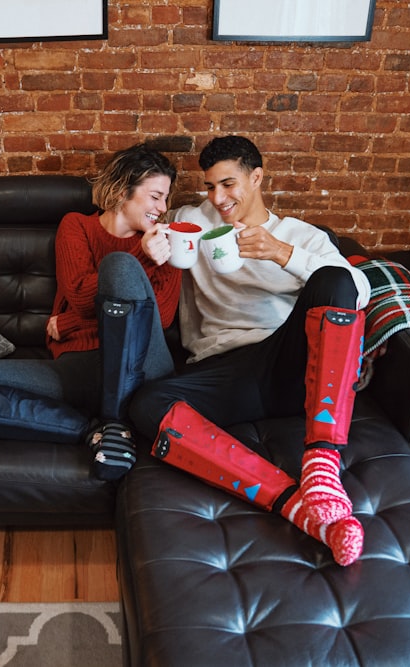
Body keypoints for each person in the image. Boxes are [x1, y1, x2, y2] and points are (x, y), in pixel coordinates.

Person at [128, 135, 372, 566]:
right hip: (226, 372)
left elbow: (358, 291)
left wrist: (284, 254)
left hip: (290, 364)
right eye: (209, 186)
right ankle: (294, 504)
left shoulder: (299, 235)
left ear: (256, 178)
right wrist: (146, 248)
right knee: (147, 404)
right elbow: (139, 218)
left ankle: (321, 465)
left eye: (228, 184)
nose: (218, 198)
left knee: (335, 278)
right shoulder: (191, 221)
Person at [0, 143, 181, 481]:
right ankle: (99, 428)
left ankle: (112, 417)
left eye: (165, 198)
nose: (163, 208)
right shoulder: (77, 226)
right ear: (125, 189)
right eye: (155, 196)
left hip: (142, 367)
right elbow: (80, 296)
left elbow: (161, 319)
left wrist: (66, 321)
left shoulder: (168, 243)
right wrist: (140, 255)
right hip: (82, 368)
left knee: (120, 268)